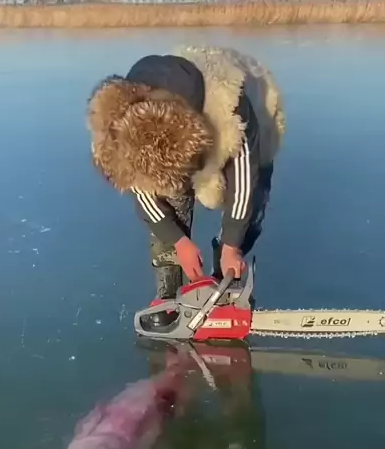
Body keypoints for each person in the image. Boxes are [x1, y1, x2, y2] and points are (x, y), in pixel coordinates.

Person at [86, 45, 286, 305]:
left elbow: (245, 179)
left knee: (251, 205)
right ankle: (169, 290)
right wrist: (178, 241)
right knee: (168, 199)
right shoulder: (121, 131)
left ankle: (225, 277)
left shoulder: (231, 109)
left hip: (244, 119)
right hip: (176, 127)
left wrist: (232, 243)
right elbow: (143, 191)